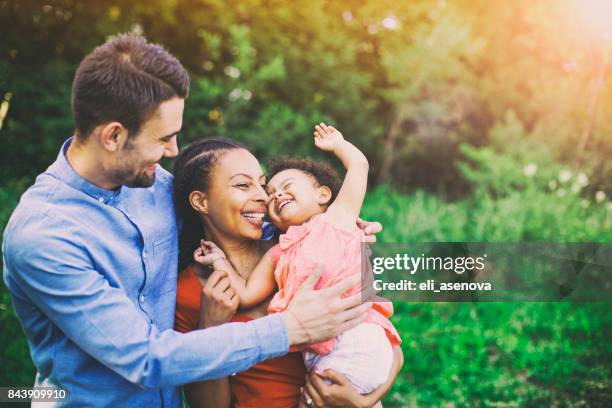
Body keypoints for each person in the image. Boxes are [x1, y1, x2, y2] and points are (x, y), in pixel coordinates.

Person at [1, 34, 380, 407]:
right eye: (163, 138)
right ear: (113, 136)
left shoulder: (156, 187)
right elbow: (146, 358)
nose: (173, 151)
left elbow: (252, 224)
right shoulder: (42, 236)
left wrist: (335, 228)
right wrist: (291, 328)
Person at [174, 137, 403, 408]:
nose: (262, 195)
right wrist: (211, 327)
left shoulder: (304, 250)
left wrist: (364, 402)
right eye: (243, 185)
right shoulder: (187, 294)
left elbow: (389, 343)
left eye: (261, 183)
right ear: (201, 202)